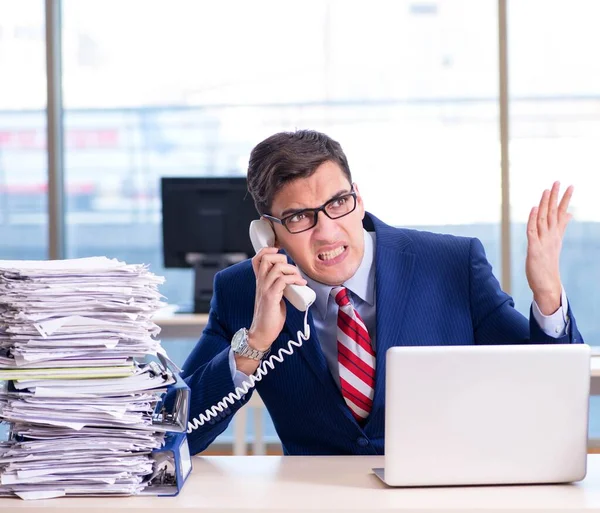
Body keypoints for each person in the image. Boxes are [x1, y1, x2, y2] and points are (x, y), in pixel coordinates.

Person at [180, 129, 582, 456]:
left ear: (357, 197)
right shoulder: (242, 292)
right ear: (268, 232)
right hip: (313, 501)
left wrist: (547, 292)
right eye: (300, 216)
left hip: (442, 494)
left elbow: (551, 390)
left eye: (337, 202)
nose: (327, 231)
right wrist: (255, 342)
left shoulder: (451, 264)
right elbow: (175, 431)